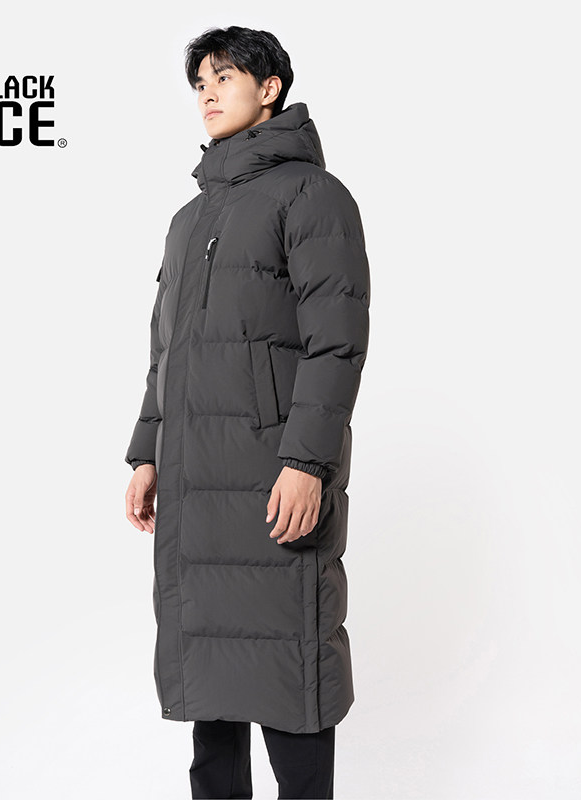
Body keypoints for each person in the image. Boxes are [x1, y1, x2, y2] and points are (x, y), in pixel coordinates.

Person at [124, 25, 370, 800]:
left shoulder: (313, 197)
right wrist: (147, 451)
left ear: (270, 88)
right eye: (199, 82)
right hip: (196, 482)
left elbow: (337, 342)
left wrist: (307, 462)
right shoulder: (189, 219)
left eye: (223, 77)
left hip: (271, 477)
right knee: (211, 683)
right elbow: (166, 351)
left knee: (290, 671)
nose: (206, 93)